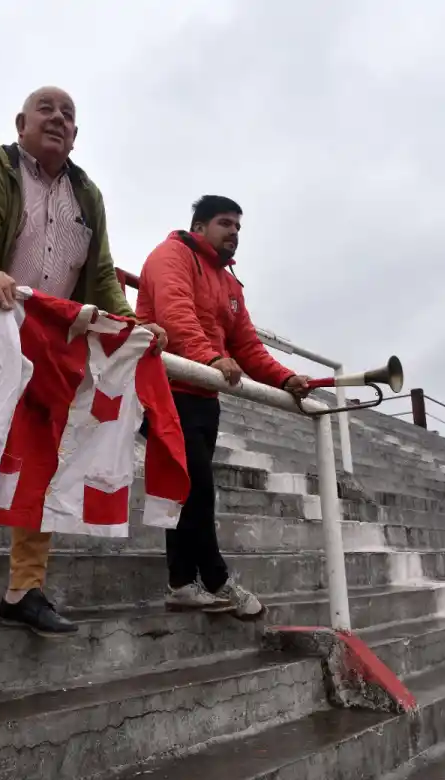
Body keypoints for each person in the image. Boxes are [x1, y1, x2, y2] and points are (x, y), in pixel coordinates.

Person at [0, 86, 167, 637]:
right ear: (21, 123)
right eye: (46, 110)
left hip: (40, 350)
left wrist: (131, 325)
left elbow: (100, 275)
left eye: (68, 115)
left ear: (76, 135)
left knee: (43, 467)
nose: (58, 119)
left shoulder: (87, 194)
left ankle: (24, 591)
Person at [136, 195, 311, 619]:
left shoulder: (230, 284)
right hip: (165, 389)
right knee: (197, 490)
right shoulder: (172, 255)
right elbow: (175, 316)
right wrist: (211, 358)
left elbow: (247, 345)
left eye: (237, 226)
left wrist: (284, 378)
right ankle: (217, 580)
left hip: (204, 397)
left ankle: (181, 583)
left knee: (185, 491)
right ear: (199, 227)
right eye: (225, 223)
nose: (234, 232)